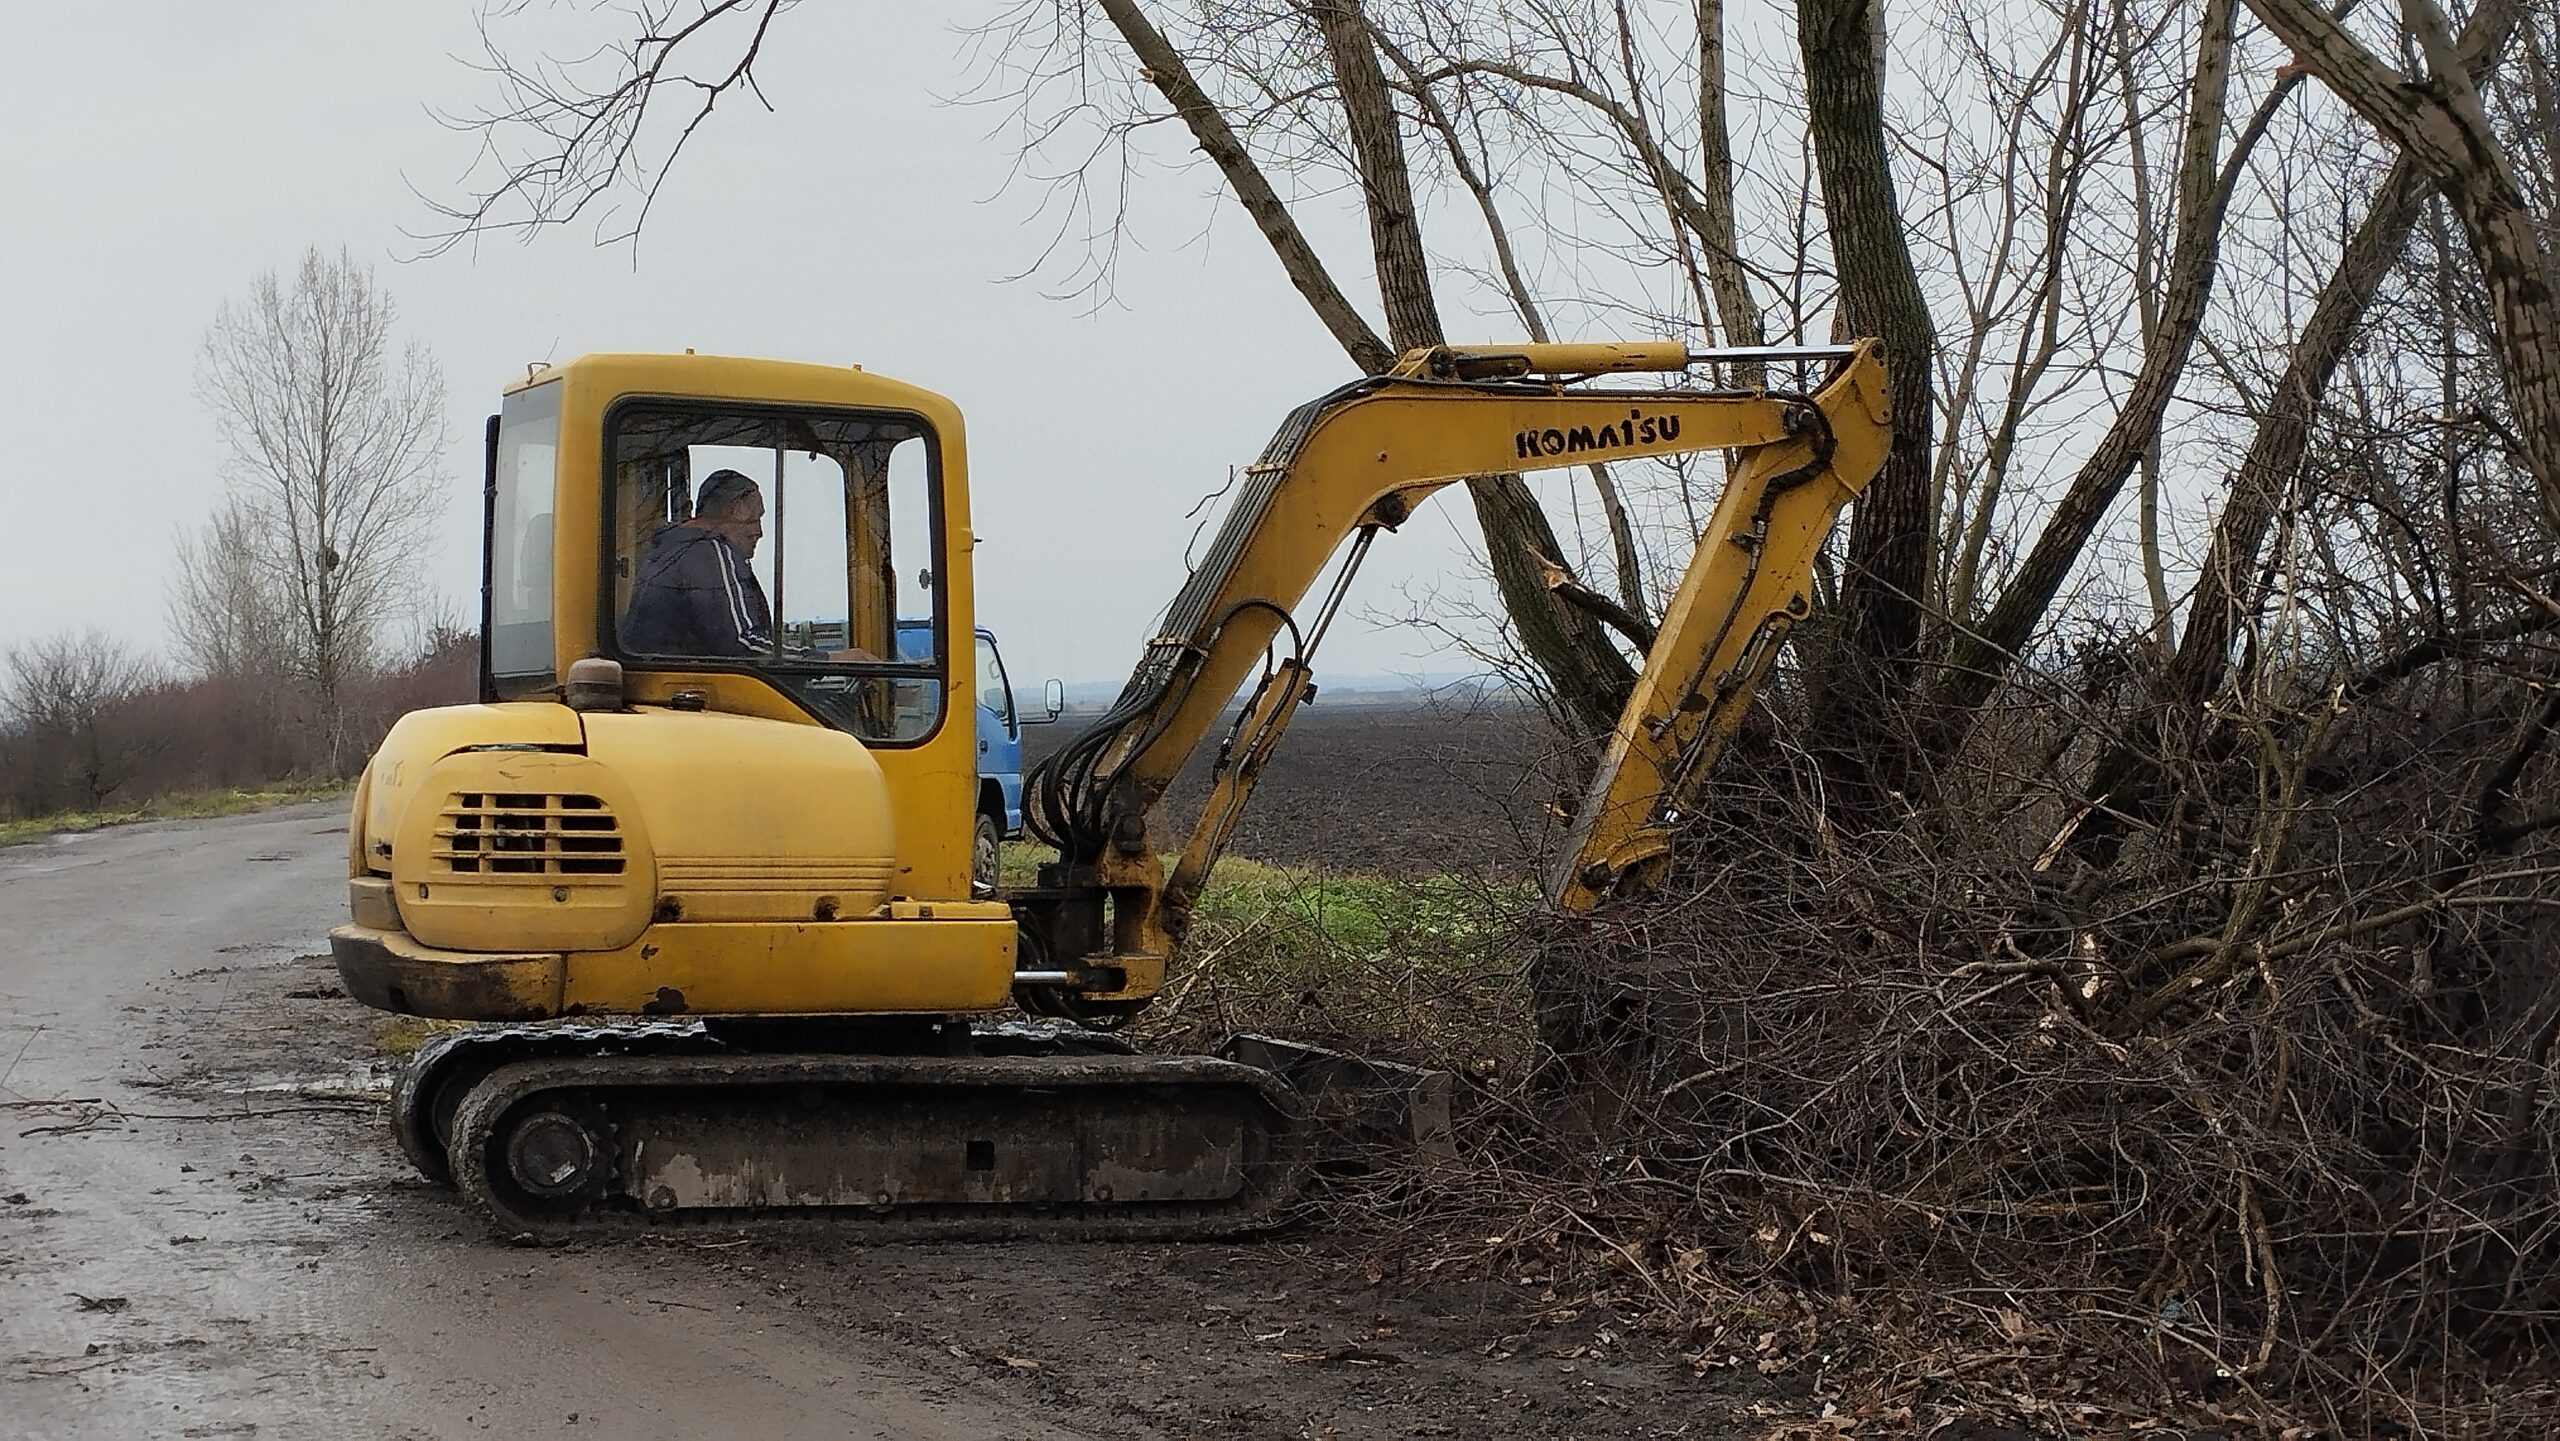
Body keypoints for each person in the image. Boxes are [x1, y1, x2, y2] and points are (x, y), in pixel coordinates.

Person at [620, 469, 774, 657]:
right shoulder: (709, 550)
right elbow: (741, 642)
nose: (759, 532)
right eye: (754, 520)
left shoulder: (672, 551)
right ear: (735, 511)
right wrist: (809, 658)